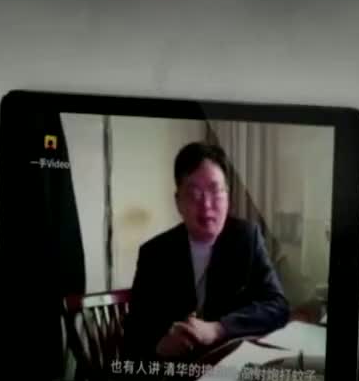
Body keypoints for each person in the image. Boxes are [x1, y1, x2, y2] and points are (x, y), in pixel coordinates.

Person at [123, 142, 289, 363]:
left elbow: (278, 306)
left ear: (228, 197)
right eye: (194, 194)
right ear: (178, 202)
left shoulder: (247, 238)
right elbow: (134, 333)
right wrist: (159, 345)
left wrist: (220, 328)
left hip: (231, 366)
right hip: (175, 372)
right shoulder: (154, 254)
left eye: (215, 191)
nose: (206, 205)